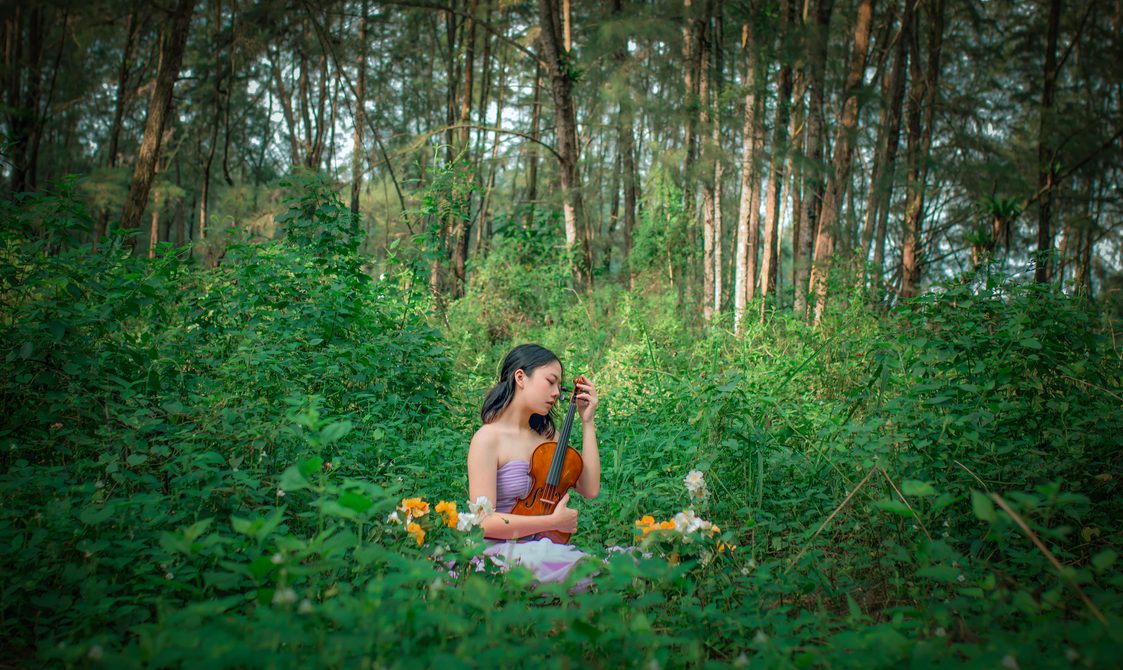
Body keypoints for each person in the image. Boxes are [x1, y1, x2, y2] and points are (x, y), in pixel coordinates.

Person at [467, 343, 600, 583]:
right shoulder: (488, 439)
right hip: (500, 552)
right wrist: (552, 522)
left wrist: (587, 422)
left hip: (541, 549)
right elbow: (484, 522)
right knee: (589, 573)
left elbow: (589, 488)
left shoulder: (548, 437)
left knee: (609, 569)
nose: (556, 392)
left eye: (559, 386)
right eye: (550, 381)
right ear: (520, 377)